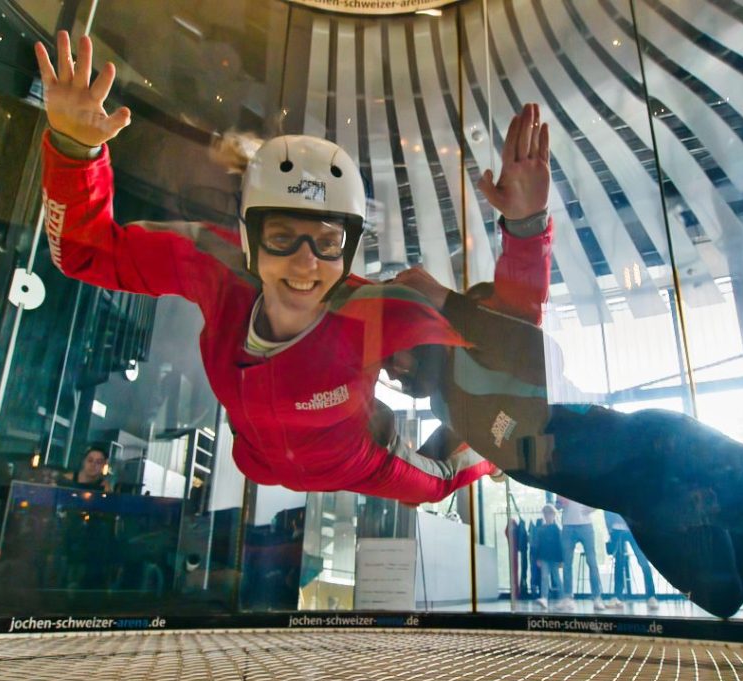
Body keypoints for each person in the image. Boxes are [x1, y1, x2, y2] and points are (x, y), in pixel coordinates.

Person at [33, 32, 551, 508]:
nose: (306, 263)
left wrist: (526, 226)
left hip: (357, 461)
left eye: (327, 243)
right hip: (256, 459)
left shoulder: (375, 311)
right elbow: (86, 253)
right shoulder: (219, 269)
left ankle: (486, 458)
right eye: (283, 238)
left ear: (347, 253)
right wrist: (76, 149)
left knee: (435, 485)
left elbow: (513, 338)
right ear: (249, 240)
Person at [556, 496, 604, 611]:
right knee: (567, 564)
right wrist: (561, 505)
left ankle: (597, 597)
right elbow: (557, 505)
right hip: (568, 526)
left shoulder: (584, 481)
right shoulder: (562, 484)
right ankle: (568, 597)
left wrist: (593, 507)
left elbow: (599, 498)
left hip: (585, 525)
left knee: (592, 562)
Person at [604, 511, 659, 611]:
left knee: (644, 563)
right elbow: (607, 510)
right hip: (617, 530)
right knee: (619, 565)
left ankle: (651, 596)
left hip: (634, 530)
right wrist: (610, 529)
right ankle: (618, 597)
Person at [535, 503, 563, 610]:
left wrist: (561, 560)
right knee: (544, 578)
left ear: (553, 515)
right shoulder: (541, 529)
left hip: (555, 558)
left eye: (549, 514)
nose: (547, 516)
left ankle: (563, 598)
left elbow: (560, 545)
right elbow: (538, 545)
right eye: (545, 514)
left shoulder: (557, 529)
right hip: (544, 557)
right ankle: (544, 598)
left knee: (556, 578)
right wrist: (538, 558)